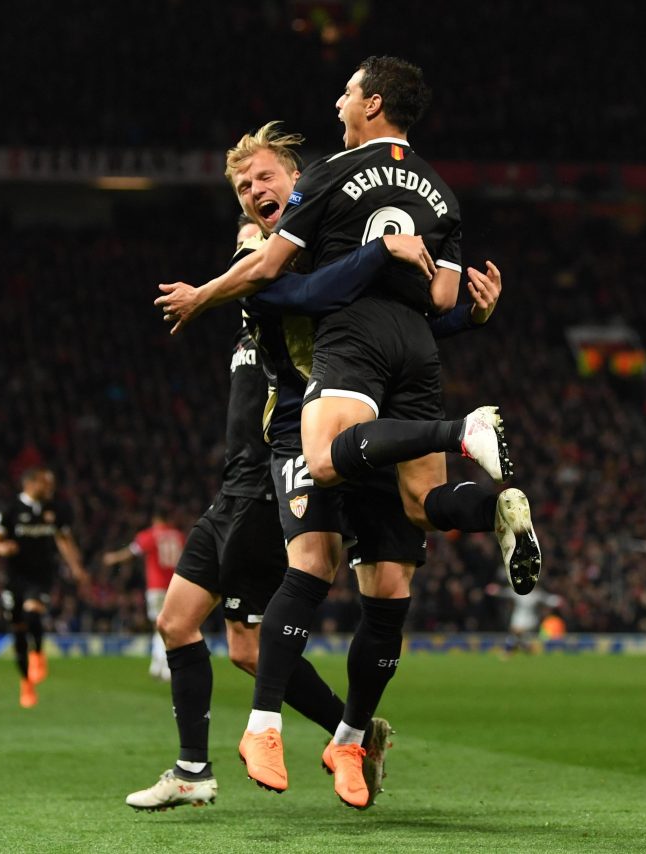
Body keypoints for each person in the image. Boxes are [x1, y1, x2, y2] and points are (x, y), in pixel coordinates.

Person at [188, 122, 510, 809]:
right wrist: (381, 252)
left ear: (295, 178)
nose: (253, 192)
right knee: (312, 562)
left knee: (391, 589)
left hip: (375, 418)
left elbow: (407, 317)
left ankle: (352, 736)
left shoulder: (330, 223)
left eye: (264, 177)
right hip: (302, 426)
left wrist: (470, 317)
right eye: (244, 186)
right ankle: (263, 727)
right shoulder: (257, 250)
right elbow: (302, 298)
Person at [155, 57, 541, 601]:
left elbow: (293, 282)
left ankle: (466, 445)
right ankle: (489, 501)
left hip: (355, 374)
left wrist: (201, 296)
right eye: (244, 185)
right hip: (384, 376)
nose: (339, 103)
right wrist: (463, 309)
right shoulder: (438, 196)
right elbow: (420, 299)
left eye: (265, 177)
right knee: (416, 508)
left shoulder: (328, 185)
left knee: (337, 487)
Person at [124, 216, 430, 811]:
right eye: (238, 244)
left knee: (244, 646)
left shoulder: (304, 315)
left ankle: (355, 735)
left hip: (269, 491)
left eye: (255, 245)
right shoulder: (252, 320)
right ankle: (193, 772)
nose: (245, 252)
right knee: (176, 622)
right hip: (230, 491)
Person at [0, 467, 89, 708]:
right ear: (30, 483)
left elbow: (64, 540)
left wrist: (76, 567)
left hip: (41, 576)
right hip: (15, 578)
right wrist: (3, 548)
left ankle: (38, 654)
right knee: (18, 631)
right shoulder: (8, 510)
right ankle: (26, 683)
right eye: (45, 483)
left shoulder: (56, 510)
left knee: (33, 612)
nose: (50, 487)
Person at [102, 502, 185, 681]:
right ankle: (158, 665)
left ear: (155, 518)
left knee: (161, 626)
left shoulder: (150, 535)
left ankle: (163, 666)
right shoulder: (179, 536)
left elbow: (132, 551)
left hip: (156, 588)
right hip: (177, 586)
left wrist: (113, 558)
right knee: (168, 626)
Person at [485, 581, 563, 656]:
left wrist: (557, 601)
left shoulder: (536, 594)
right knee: (518, 637)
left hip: (529, 619)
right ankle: (525, 649)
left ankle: (508, 651)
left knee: (516, 633)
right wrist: (496, 590)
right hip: (518, 617)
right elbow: (506, 592)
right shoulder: (520, 592)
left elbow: (547, 599)